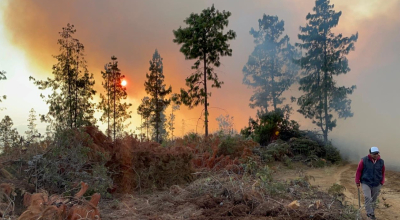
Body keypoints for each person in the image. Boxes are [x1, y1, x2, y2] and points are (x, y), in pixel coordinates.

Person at [355, 146, 385, 220]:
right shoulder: (364, 160)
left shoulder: (381, 161)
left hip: (377, 183)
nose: (376, 155)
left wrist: (382, 181)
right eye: (374, 154)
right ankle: (369, 214)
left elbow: (383, 172)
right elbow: (359, 171)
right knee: (368, 197)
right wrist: (357, 181)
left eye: (377, 153)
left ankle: (372, 213)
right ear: (370, 154)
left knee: (374, 199)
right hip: (366, 182)